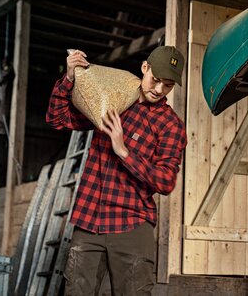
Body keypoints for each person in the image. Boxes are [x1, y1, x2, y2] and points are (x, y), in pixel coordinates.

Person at [46, 46, 187, 296]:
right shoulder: (113, 101)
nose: (158, 89)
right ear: (145, 68)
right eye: (156, 80)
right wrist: (69, 78)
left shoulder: (170, 125)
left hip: (131, 226)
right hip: (88, 221)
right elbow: (57, 119)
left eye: (167, 85)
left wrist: (123, 151)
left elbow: (166, 181)